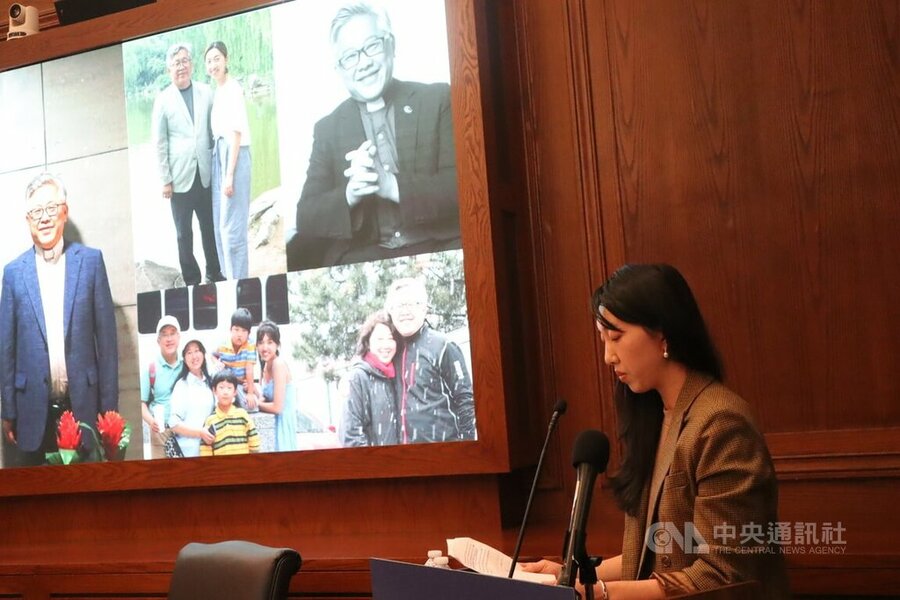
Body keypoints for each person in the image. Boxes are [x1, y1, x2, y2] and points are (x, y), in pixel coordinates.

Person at [521, 264, 790, 599]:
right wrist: (564, 574)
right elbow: (655, 557)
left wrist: (597, 593)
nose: (608, 356)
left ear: (662, 333)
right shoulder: (655, 416)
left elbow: (721, 574)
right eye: (603, 339)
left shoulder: (721, 422)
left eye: (616, 337)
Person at [289, 1, 460, 270]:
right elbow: (306, 216)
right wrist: (350, 194)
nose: (363, 63)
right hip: (364, 259)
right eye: (350, 57)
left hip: (438, 250)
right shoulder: (327, 128)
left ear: (391, 45)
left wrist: (391, 185)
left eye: (372, 46)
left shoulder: (437, 99)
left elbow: (460, 187)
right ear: (339, 69)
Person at [0, 173, 118, 467]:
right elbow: (6, 350)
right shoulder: (13, 274)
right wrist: (8, 411)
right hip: (31, 414)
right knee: (36, 496)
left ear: (64, 212)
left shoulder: (90, 262)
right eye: (36, 211)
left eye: (51, 208)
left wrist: (110, 411)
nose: (44, 218)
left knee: (88, 494)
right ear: (27, 219)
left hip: (85, 409)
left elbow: (107, 343)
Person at [151, 42, 224, 286]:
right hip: (179, 179)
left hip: (205, 174)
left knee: (209, 227)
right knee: (184, 234)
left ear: (191, 65)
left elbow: (215, 130)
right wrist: (165, 180)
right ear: (168, 69)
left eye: (184, 61)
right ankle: (192, 280)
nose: (181, 67)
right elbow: (159, 143)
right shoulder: (163, 100)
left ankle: (214, 271)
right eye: (176, 63)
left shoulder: (206, 92)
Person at [385, 278, 475, 443]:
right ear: (390, 311)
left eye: (411, 304)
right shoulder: (389, 348)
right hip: (403, 453)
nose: (405, 311)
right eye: (399, 305)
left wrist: (468, 447)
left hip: (442, 449)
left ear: (424, 308)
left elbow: (465, 400)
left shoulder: (443, 346)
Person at [205, 40, 251, 280]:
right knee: (221, 223)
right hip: (220, 155)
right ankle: (231, 276)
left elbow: (236, 133)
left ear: (226, 60)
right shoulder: (219, 90)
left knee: (233, 227)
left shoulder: (233, 89)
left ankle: (239, 280)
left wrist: (230, 175)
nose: (213, 65)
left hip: (235, 155)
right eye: (209, 61)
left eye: (217, 59)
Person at [341, 309, 400, 446]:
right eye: (379, 339)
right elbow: (351, 435)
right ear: (368, 342)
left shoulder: (395, 375)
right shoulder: (358, 377)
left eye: (390, 339)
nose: (385, 345)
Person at [139, 315, 183, 460]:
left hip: (184, 431)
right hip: (161, 433)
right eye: (164, 335)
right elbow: (141, 404)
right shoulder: (150, 368)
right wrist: (151, 421)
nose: (169, 339)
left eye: (172, 333)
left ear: (179, 337)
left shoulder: (186, 364)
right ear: (158, 341)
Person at [168, 339, 216, 458]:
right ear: (184, 359)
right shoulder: (182, 385)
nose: (194, 356)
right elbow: (174, 423)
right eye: (189, 353)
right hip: (188, 452)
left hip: (208, 450)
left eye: (197, 351)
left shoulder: (209, 382)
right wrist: (200, 433)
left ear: (203, 354)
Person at [255, 321, 298, 452]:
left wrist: (256, 404)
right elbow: (265, 397)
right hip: (272, 425)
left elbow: (277, 407)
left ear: (277, 345)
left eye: (270, 342)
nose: (265, 347)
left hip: (283, 425)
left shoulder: (278, 364)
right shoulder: (265, 366)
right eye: (261, 342)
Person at [200, 370, 260, 456]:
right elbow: (205, 448)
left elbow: (254, 439)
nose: (225, 392)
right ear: (214, 390)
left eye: (229, 388)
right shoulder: (210, 420)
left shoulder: (242, 415)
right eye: (221, 387)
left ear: (235, 392)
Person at [213, 307, 259, 411]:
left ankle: (240, 400)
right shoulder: (223, 345)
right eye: (236, 329)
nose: (239, 334)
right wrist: (217, 363)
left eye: (244, 331)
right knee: (219, 405)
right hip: (226, 383)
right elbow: (212, 355)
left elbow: (249, 369)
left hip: (240, 384)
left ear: (249, 333)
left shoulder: (250, 345)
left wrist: (250, 393)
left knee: (251, 407)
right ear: (230, 329)